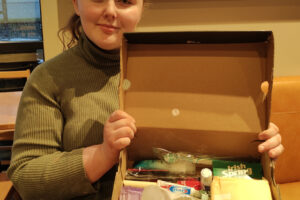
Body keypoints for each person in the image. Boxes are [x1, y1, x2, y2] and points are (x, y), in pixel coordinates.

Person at [7, 0, 284, 199]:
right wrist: (103, 154)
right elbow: (26, 176)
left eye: (125, 1)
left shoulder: (179, 67)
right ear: (76, 4)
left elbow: (199, 149)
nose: (111, 11)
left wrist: (253, 144)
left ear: (141, 8)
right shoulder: (47, 79)